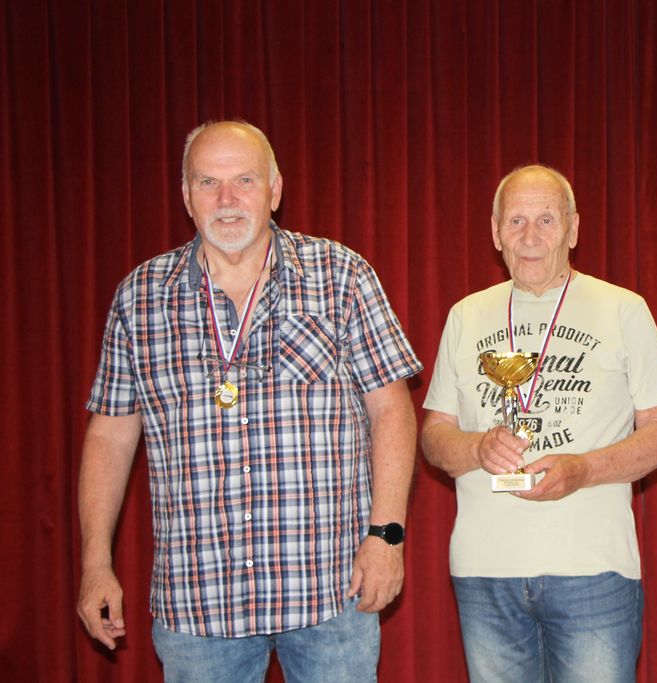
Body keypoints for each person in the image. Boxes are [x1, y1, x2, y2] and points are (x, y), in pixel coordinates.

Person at [76, 120, 421, 682]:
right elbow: (110, 435)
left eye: (245, 180)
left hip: (331, 587)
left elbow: (391, 409)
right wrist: (95, 562)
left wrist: (387, 536)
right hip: (200, 598)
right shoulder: (140, 297)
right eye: (208, 182)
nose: (227, 200)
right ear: (186, 195)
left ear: (275, 189)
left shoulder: (341, 275)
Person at [421, 164, 657, 682]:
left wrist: (583, 469)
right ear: (496, 233)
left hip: (592, 570)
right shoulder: (466, 315)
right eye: (515, 221)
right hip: (485, 571)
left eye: (546, 220)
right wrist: (477, 448)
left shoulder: (624, 309)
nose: (530, 237)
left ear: (573, 229)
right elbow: (433, 436)